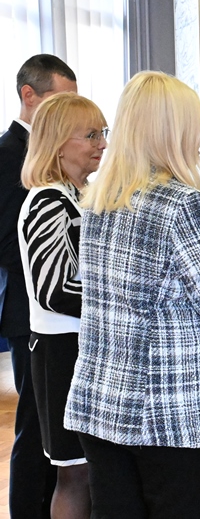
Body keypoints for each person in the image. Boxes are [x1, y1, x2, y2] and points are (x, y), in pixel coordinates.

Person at [62, 71, 200, 519]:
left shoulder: (98, 199)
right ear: (175, 130)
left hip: (101, 402)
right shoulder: (185, 205)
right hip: (170, 412)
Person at [17, 92, 106, 518]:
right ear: (57, 144)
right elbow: (53, 290)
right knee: (75, 472)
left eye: (102, 133)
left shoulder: (78, 194)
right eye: (90, 135)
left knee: (91, 470)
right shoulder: (47, 200)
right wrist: (121, 302)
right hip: (62, 351)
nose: (102, 144)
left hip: (82, 346)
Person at [0, 53, 76, 518]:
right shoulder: (8, 154)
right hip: (30, 311)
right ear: (29, 95)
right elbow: (9, 242)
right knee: (36, 428)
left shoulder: (54, 158)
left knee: (58, 434)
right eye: (59, 101)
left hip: (55, 312)